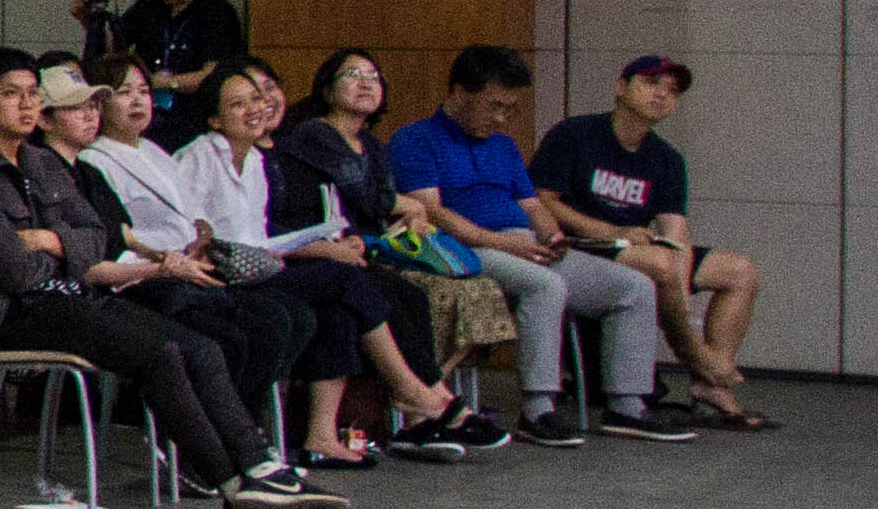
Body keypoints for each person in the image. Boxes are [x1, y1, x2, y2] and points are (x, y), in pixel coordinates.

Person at [0, 51, 332, 509]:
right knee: (160, 351)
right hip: (13, 314)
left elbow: (97, 236)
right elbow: (16, 272)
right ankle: (233, 485)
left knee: (199, 347)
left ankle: (259, 467)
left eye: (33, 94)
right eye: (10, 94)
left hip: (74, 296)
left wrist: (51, 240)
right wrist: (69, 249)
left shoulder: (41, 162)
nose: (26, 104)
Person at [188, 59, 479, 465]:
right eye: (241, 102)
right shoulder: (201, 157)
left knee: (342, 308)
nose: (258, 106)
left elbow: (262, 235)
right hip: (223, 274)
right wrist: (319, 248)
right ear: (215, 119)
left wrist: (326, 241)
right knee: (345, 280)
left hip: (264, 265)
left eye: (262, 95)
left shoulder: (255, 160)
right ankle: (414, 391)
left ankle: (322, 438)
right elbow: (194, 230)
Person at [387, 46, 677, 447]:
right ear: (460, 92)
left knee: (634, 287)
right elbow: (433, 213)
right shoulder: (416, 139)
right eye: (494, 106)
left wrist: (552, 237)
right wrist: (506, 244)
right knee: (546, 286)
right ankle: (538, 408)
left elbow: (534, 206)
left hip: (522, 244)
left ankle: (626, 406)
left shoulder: (503, 145)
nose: (501, 118)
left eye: (510, 109)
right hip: (463, 248)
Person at [534, 56, 765, 429]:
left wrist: (680, 281)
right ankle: (701, 360)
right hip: (579, 245)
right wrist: (610, 232)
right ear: (620, 87)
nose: (661, 95)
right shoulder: (575, 134)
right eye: (651, 83)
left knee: (740, 271)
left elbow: (675, 230)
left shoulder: (667, 159)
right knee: (658, 264)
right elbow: (542, 200)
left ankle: (708, 383)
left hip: (638, 248)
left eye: (672, 91)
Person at [88, 0, 243, 141]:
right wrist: (92, 24)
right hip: (147, 117)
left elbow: (211, 76)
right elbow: (115, 46)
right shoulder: (149, 4)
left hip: (192, 120)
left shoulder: (217, 13)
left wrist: (161, 82)